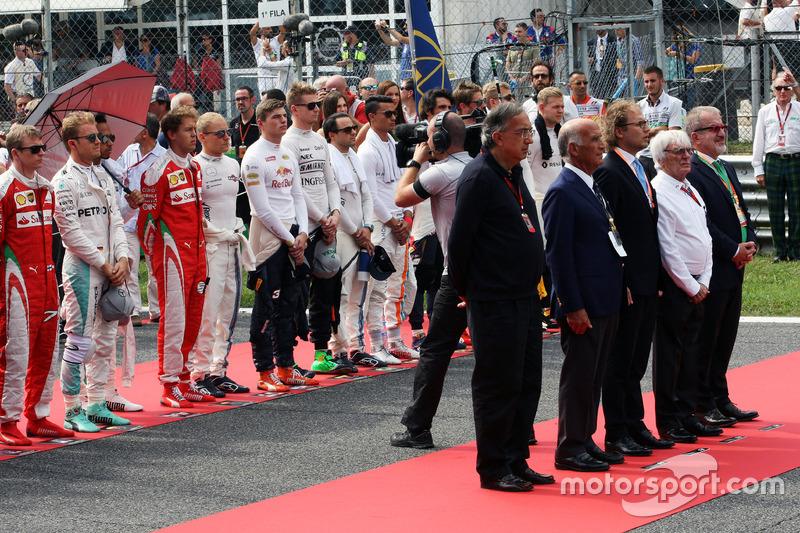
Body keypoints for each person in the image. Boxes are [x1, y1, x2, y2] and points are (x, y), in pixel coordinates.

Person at [448, 103, 550, 492]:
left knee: (527, 381)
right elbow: (458, 245)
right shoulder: (479, 177)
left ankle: (515, 459)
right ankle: (493, 467)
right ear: (498, 137)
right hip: (493, 299)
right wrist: (468, 291)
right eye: (522, 132)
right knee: (498, 384)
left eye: (530, 132)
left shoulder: (514, 172)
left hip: (524, 296)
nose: (530, 139)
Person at [544, 118, 625, 472]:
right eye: (594, 139)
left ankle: (585, 438)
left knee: (593, 376)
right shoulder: (562, 191)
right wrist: (572, 305)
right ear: (573, 148)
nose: (602, 144)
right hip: (584, 303)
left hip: (604, 296)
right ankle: (570, 446)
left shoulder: (591, 185)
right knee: (579, 376)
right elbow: (558, 255)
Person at [390, 111, 474, 449]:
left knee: (435, 352)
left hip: (456, 274)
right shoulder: (478, 165)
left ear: (438, 141)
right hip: (488, 273)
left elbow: (400, 196)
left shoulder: (441, 172)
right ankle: (517, 426)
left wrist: (416, 159)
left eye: (429, 137)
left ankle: (417, 428)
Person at [594, 100, 673, 454]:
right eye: (639, 123)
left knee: (637, 357)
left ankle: (635, 422)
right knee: (621, 359)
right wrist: (623, 278)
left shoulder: (640, 165)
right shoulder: (609, 170)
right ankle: (617, 430)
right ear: (619, 131)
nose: (647, 128)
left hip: (647, 276)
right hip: (627, 280)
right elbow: (611, 231)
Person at [53, 112, 131, 432]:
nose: (100, 142)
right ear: (73, 144)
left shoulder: (102, 175)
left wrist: (123, 259)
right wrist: (104, 264)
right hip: (82, 271)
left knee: (106, 339)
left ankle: (97, 403)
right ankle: (72, 408)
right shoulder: (63, 181)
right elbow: (71, 234)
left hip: (111, 267)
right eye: (92, 138)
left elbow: (116, 221)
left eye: (100, 137)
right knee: (80, 340)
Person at [0, 125, 74, 445]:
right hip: (15, 283)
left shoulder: (47, 189)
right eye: (34, 149)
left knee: (47, 349)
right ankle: (6, 421)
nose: (42, 153)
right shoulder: (4, 188)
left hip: (47, 280)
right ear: (15, 153)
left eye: (43, 147)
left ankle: (38, 415)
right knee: (15, 353)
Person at [139, 106, 216, 408]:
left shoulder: (194, 168)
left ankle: (184, 379)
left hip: (198, 256)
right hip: (172, 259)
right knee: (173, 321)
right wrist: (156, 264)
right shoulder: (156, 172)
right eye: (188, 129)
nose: (195, 134)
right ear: (170, 134)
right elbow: (146, 226)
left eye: (195, 128)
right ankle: (168, 384)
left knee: (193, 319)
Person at [687, 106, 759, 425]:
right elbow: (703, 222)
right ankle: (702, 404)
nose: (721, 132)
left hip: (736, 265)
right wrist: (732, 249)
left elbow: (741, 209)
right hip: (714, 266)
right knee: (708, 337)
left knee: (726, 335)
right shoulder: (691, 170)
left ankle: (720, 396)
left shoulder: (725, 167)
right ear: (695, 137)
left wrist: (751, 241)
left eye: (723, 126)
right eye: (713, 128)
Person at [242, 98, 318, 391]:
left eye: (284, 115)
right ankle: (264, 371)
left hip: (293, 236)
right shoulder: (253, 157)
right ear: (260, 123)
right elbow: (261, 209)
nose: (283, 120)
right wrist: (289, 240)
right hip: (268, 239)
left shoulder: (287, 154)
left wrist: (301, 236)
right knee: (266, 307)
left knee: (290, 303)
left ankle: (286, 366)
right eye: (275, 117)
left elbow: (297, 196)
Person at [650, 130, 718, 443]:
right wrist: (691, 285)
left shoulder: (688, 186)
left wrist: (704, 280)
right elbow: (667, 246)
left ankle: (687, 413)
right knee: (670, 355)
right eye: (678, 152)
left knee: (691, 352)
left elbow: (703, 236)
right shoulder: (660, 190)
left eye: (688, 150)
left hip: (698, 281)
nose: (686, 156)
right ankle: (669, 419)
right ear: (661, 158)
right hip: (679, 285)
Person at [282, 82, 351, 374]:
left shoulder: (321, 140)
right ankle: (288, 359)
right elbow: (296, 188)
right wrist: (321, 219)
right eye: (311, 106)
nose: (316, 110)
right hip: (303, 230)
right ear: (295, 109)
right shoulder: (288, 142)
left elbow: (330, 182)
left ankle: (322, 353)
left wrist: (335, 213)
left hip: (327, 228)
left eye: (317, 104)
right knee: (296, 296)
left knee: (327, 291)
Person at [190, 112, 252, 396]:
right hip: (210, 248)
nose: (227, 136)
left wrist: (236, 229)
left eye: (227, 131)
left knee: (228, 313)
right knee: (208, 312)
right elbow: (196, 215)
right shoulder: (194, 167)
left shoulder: (232, 164)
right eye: (219, 133)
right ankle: (198, 373)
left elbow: (237, 205)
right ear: (201, 137)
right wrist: (218, 233)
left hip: (232, 245)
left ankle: (219, 371)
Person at [359, 95, 419, 363]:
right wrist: (394, 223)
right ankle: (376, 345)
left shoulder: (395, 144)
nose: (394, 118)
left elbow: (405, 184)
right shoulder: (367, 151)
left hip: (400, 224)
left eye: (395, 113)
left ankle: (395, 340)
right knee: (378, 288)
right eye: (387, 114)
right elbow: (371, 195)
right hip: (383, 227)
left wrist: (407, 217)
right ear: (371, 117)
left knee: (405, 286)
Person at [94, 114, 145, 413]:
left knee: (112, 330)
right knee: (87, 337)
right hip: (92, 264)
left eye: (111, 137)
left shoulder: (111, 170)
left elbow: (117, 219)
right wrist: (105, 263)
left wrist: (130, 204)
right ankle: (84, 401)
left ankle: (108, 391)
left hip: (115, 258)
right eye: (101, 137)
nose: (109, 142)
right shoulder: (71, 177)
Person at [323, 112, 378, 368]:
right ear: (332, 134)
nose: (353, 132)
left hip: (362, 233)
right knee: (341, 294)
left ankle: (356, 347)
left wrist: (367, 226)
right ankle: (337, 350)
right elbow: (336, 202)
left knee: (359, 294)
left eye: (354, 128)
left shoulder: (353, 155)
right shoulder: (329, 157)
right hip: (344, 235)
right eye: (346, 130)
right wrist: (357, 230)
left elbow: (366, 195)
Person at [118, 113, 165, 330]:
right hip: (128, 217)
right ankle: (135, 310)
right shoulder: (127, 152)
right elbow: (118, 175)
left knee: (155, 265)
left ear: (145, 133)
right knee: (130, 266)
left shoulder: (164, 156)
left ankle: (157, 310)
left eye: (135, 128)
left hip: (151, 219)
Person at [752, 71, 800, 262]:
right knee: (775, 208)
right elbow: (758, 141)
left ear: (792, 90)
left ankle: (795, 251)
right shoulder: (765, 111)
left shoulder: (798, 108)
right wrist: (758, 168)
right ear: (773, 90)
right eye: (779, 88)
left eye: (786, 88)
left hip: (796, 160)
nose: (782, 91)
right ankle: (779, 251)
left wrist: (795, 83)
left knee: (797, 208)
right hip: (773, 161)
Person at [638, 66, 684, 178]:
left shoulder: (674, 103)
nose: (649, 85)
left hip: (663, 157)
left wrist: (648, 133)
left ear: (662, 81)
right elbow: (637, 136)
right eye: (646, 81)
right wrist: (660, 129)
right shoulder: (639, 106)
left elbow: (673, 134)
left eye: (653, 80)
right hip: (643, 157)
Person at [230, 86, 260, 227]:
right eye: (237, 99)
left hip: (257, 171)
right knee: (241, 211)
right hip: (240, 172)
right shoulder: (233, 123)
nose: (240, 102)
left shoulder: (259, 121)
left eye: (244, 99)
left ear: (252, 100)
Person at [250, 23, 294, 94]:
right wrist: (261, 20)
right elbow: (252, 33)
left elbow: (283, 32)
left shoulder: (275, 40)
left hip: (277, 75)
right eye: (268, 29)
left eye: (271, 28)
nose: (271, 30)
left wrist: (276, 19)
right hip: (264, 77)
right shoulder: (258, 42)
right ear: (261, 31)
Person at [4, 42, 42, 114]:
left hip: (30, 96)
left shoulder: (30, 62)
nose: (26, 52)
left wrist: (47, 85)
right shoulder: (11, 67)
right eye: (23, 50)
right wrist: (15, 101)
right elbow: (7, 86)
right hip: (19, 97)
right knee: (21, 118)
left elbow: (39, 76)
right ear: (16, 52)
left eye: (26, 50)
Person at [193, 32, 223, 113]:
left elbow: (219, 66)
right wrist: (199, 69)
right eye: (202, 39)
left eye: (205, 39)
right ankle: (200, 109)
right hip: (203, 77)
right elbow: (194, 61)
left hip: (212, 78)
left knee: (210, 97)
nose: (203, 41)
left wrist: (218, 83)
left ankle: (210, 111)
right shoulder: (201, 51)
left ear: (210, 40)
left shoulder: (215, 52)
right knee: (196, 95)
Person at [587, 25, 618, 100]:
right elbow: (587, 55)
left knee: (610, 98)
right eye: (595, 26)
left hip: (610, 75)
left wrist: (618, 71)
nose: (597, 28)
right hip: (596, 75)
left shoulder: (614, 40)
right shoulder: (591, 42)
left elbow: (618, 59)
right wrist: (589, 59)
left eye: (599, 25)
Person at [614, 28, 645, 96]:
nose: (616, 31)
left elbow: (640, 63)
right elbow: (618, 59)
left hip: (631, 79)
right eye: (615, 29)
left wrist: (635, 81)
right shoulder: (618, 40)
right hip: (621, 80)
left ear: (624, 28)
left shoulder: (633, 41)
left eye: (618, 29)